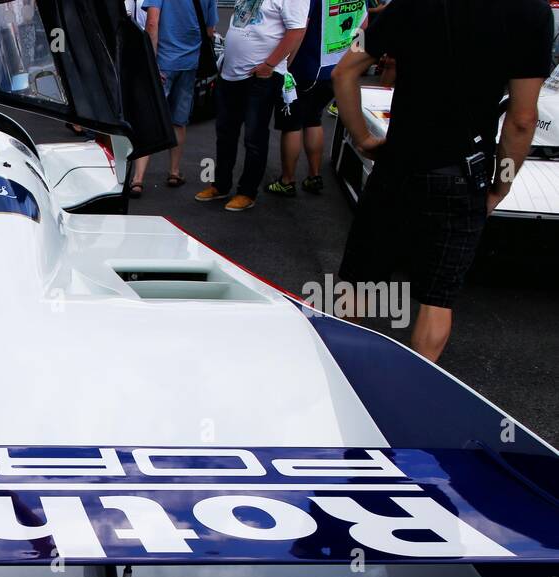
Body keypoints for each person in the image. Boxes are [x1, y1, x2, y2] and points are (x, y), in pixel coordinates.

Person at [332, 0, 551, 363]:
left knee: (359, 280)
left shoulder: (407, 4)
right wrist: (502, 184)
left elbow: (344, 72)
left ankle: (341, 375)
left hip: (396, 163)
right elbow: (522, 119)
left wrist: (362, 138)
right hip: (462, 174)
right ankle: (414, 395)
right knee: (437, 298)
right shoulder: (532, 13)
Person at [195, 0, 308, 211]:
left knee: (254, 137)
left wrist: (270, 65)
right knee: (225, 133)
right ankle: (221, 185)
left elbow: (297, 30)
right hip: (230, 73)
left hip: (260, 77)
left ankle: (247, 192)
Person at [267, 0, 366, 197]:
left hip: (305, 67)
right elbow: (363, 24)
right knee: (313, 118)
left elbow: (300, 26)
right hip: (337, 68)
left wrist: (285, 64)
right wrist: (355, 60)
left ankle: (287, 180)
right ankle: (314, 176)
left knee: (292, 125)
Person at [131, 0, 218, 196]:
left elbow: (152, 23)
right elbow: (210, 31)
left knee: (149, 118)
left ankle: (138, 179)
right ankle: (174, 172)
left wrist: (151, 62)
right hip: (189, 63)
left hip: (162, 62)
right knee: (179, 120)